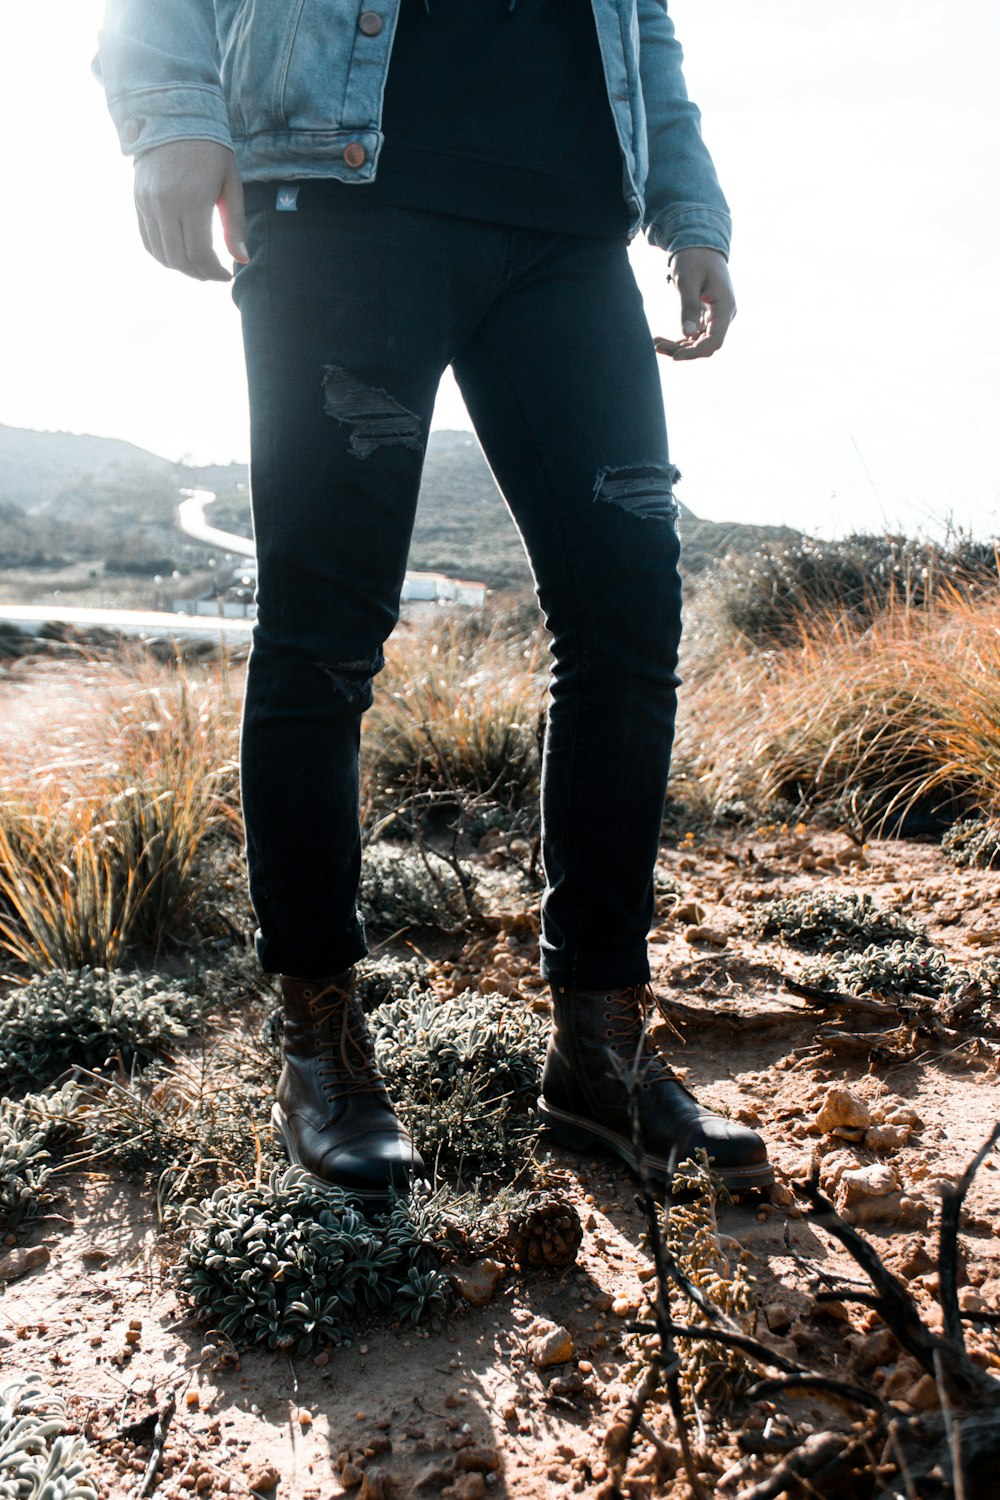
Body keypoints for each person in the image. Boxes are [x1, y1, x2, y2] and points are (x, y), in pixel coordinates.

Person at [96, 0, 772, 1208]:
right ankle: (321, 1052)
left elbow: (645, 37)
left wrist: (692, 209)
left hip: (570, 232)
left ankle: (599, 1053)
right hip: (343, 198)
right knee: (322, 634)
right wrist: (169, 114)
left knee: (627, 625)